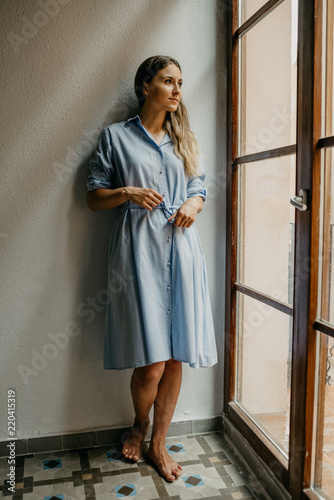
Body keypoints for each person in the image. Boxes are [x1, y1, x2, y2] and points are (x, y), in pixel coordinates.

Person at [87, 55, 217, 482]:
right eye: (168, 81)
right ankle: (138, 425)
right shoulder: (115, 138)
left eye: (180, 82)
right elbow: (93, 198)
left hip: (181, 250)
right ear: (146, 87)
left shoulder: (184, 138)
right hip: (138, 252)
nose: (177, 90)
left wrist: (194, 202)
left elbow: (198, 184)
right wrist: (126, 192)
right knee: (150, 363)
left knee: (176, 355)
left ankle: (159, 443)